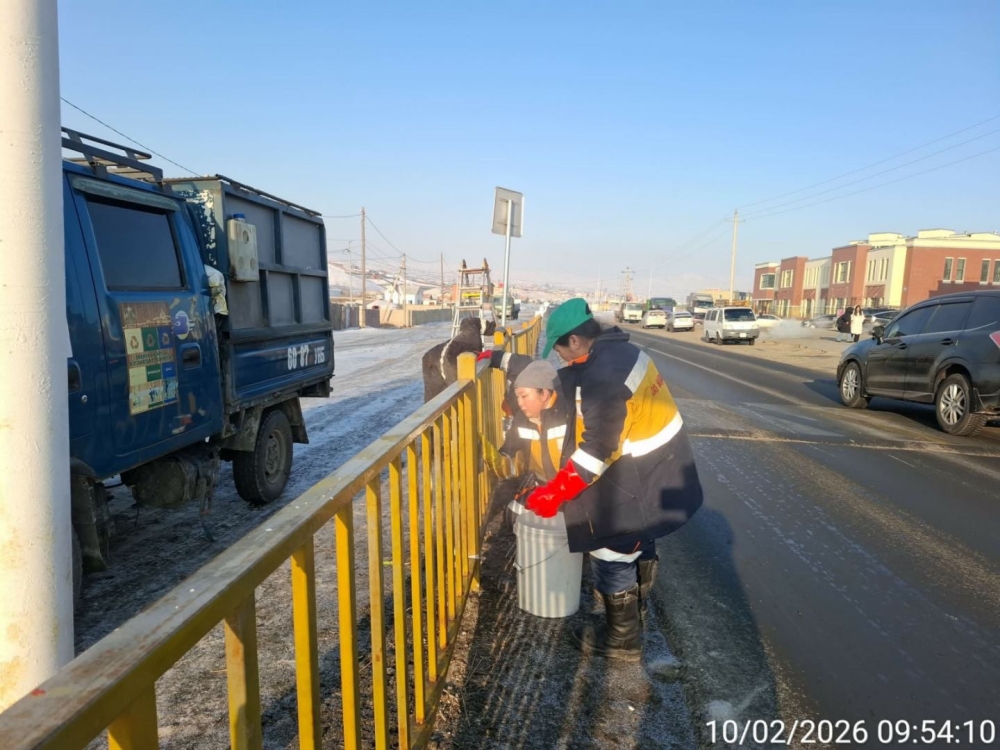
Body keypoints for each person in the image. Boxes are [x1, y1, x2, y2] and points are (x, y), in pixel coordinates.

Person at [524, 298, 704, 662]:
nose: (559, 357)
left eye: (559, 348)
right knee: (639, 538)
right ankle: (635, 615)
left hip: (639, 473)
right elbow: (571, 381)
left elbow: (597, 449)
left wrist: (555, 492)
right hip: (658, 464)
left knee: (611, 546)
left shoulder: (605, 375)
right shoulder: (616, 352)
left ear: (576, 341)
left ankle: (623, 639)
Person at [477, 354, 573, 528]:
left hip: (575, 491)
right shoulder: (523, 419)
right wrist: (492, 457)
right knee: (513, 516)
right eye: (517, 397)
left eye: (524, 396)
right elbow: (510, 453)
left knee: (575, 525)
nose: (519, 403)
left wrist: (557, 494)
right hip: (544, 488)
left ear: (544, 394)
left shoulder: (570, 415)